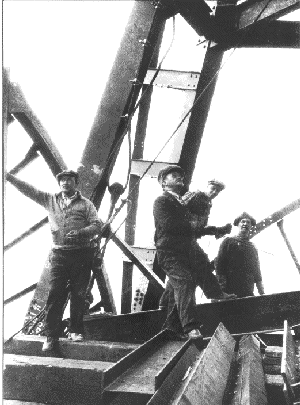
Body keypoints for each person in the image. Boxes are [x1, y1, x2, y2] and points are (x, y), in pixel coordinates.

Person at [6, 170, 107, 351]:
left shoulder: (86, 205)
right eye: (62, 180)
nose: (65, 183)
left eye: (69, 180)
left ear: (76, 183)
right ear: (59, 183)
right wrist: (9, 177)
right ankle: (50, 336)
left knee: (78, 294)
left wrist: (82, 232)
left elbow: (97, 225)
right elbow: (29, 190)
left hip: (81, 255)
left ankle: (76, 331)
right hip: (59, 255)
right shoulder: (49, 199)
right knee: (55, 294)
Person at [153, 165, 235, 339]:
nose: (179, 178)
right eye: (174, 175)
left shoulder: (180, 203)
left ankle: (171, 326)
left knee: (201, 266)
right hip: (170, 252)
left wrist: (214, 230)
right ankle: (190, 327)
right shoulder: (162, 201)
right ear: (164, 183)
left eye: (180, 176)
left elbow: (194, 230)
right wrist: (195, 226)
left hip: (185, 249)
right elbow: (170, 225)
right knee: (184, 282)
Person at [158, 178, 228, 310]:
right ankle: (216, 293)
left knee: (182, 272)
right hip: (181, 238)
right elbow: (178, 209)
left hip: (188, 238)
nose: (214, 192)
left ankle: (165, 302)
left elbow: (199, 227)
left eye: (217, 191)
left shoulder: (207, 203)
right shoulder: (195, 195)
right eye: (213, 189)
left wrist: (215, 230)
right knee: (202, 264)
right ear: (207, 186)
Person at [215, 212, 265, 298]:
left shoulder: (252, 247)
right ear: (238, 224)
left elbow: (256, 270)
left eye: (248, 222)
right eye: (243, 221)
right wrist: (222, 291)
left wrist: (262, 292)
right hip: (230, 291)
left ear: (251, 226)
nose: (245, 224)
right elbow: (220, 265)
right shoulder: (228, 242)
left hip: (247, 291)